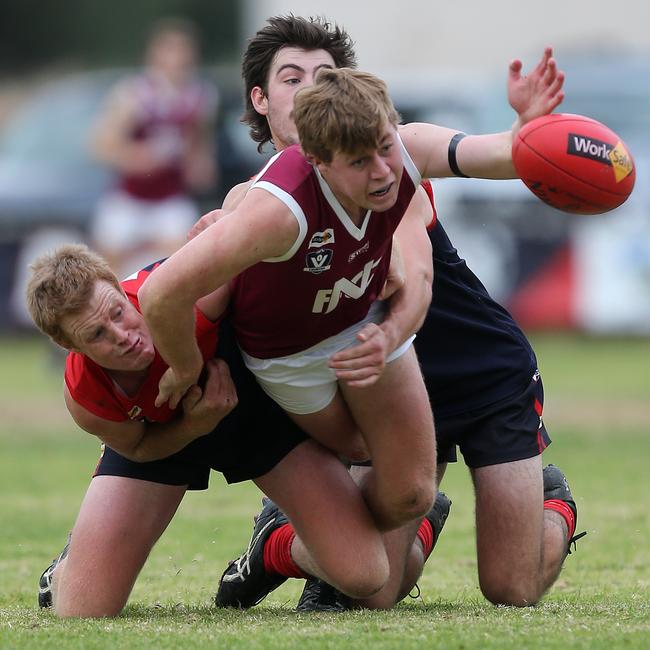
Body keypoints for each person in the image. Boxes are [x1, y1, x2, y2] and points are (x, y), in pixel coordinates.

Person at [188, 15, 584, 611]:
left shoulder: (389, 163)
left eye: (325, 75)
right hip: (390, 390)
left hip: (477, 372)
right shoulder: (258, 204)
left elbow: (422, 255)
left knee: (511, 587)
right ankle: (306, 537)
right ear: (261, 99)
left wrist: (527, 133)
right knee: (372, 589)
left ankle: (550, 503)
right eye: (292, 77)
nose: (310, 89)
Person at [28, 244, 450, 616]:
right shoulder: (86, 396)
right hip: (165, 440)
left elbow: (262, 225)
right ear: (70, 347)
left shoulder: (190, 293)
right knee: (82, 609)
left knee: (366, 575)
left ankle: (272, 544)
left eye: (118, 312)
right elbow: (138, 448)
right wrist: (195, 424)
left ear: (120, 287)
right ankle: (70, 565)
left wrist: (229, 215)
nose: (123, 335)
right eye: (97, 334)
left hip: (253, 415)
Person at [90, 17, 218, 280]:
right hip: (130, 198)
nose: (178, 58)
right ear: (154, 54)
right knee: (107, 271)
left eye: (184, 50)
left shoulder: (200, 97)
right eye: (170, 49)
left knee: (180, 269)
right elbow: (100, 146)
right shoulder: (134, 94)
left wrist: (200, 167)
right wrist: (136, 157)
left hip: (170, 199)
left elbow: (199, 150)